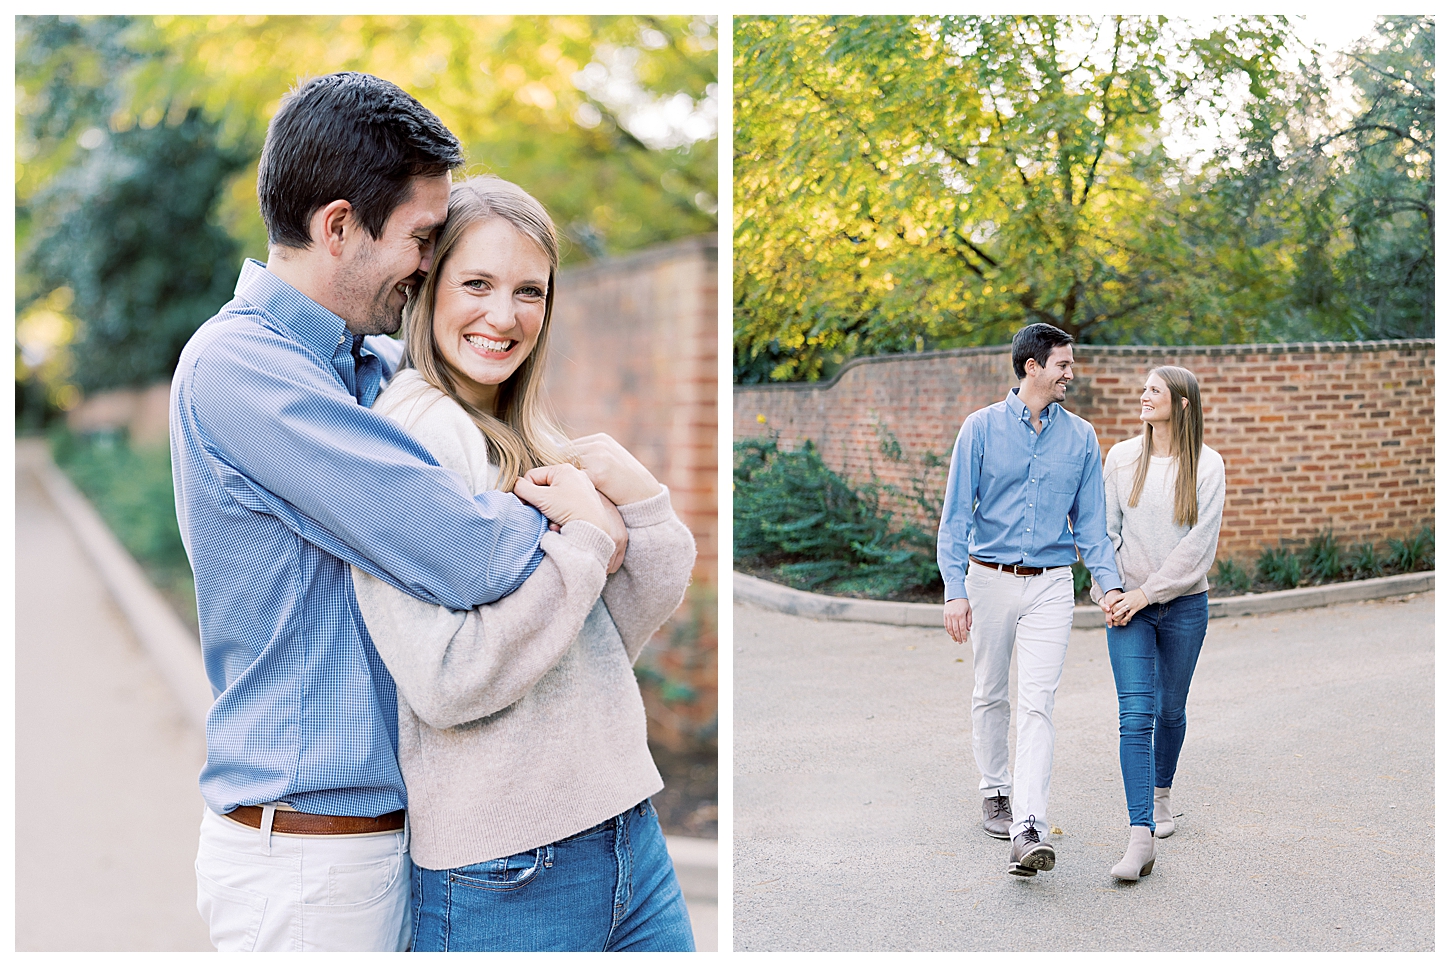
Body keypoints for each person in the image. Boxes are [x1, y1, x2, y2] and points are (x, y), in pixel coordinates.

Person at [170, 74, 613, 951]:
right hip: (304, 864)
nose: (427, 264)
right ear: (338, 227)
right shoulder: (241, 369)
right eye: (420, 239)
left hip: (391, 846)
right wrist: (581, 522)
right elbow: (466, 553)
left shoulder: (362, 367)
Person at [348, 176, 697, 951]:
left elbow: (607, 635)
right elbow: (447, 679)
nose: (504, 317)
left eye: (529, 291)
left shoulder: (512, 427)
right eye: (476, 283)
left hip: (620, 831)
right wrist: (584, 544)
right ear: (428, 287)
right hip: (505, 868)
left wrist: (639, 506)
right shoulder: (417, 436)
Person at [937, 322, 1126, 877]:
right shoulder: (980, 429)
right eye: (1063, 364)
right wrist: (954, 591)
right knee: (991, 691)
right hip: (989, 577)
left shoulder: (1081, 438)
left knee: (1038, 701)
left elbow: (1091, 527)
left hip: (1050, 583)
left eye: (1072, 363)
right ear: (1032, 367)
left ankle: (1030, 825)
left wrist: (1108, 585)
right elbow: (955, 519)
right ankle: (995, 790)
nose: (1072, 373)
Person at [1094, 366, 1224, 881]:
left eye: (1154, 390)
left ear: (1183, 404)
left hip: (1184, 606)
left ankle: (1162, 790)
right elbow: (1103, 534)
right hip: (1126, 608)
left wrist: (1146, 594)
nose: (1143, 396)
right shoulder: (1122, 458)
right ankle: (1140, 835)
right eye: (1144, 388)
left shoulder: (1208, 465)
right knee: (1135, 715)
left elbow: (1198, 549)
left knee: (1171, 711)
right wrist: (1107, 591)